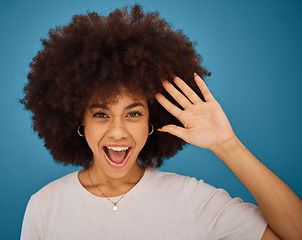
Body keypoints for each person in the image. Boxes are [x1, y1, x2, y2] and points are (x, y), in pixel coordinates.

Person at [20, 5, 301, 240]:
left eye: (133, 113)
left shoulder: (191, 199)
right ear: (78, 121)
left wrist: (228, 145)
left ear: (151, 121)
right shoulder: (45, 206)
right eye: (101, 114)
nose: (118, 131)